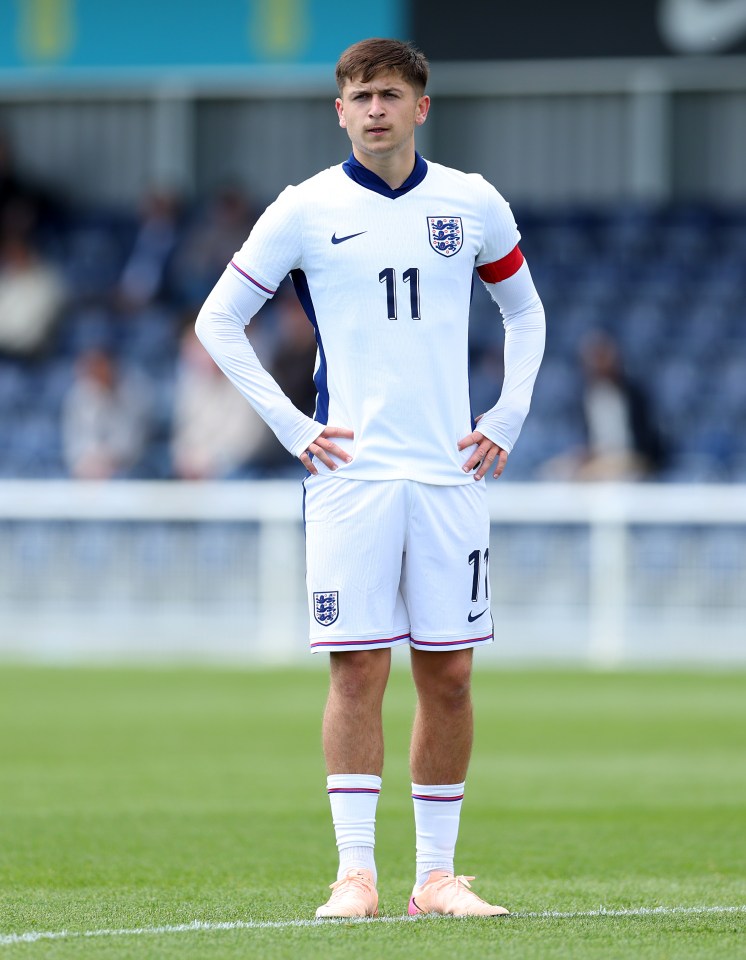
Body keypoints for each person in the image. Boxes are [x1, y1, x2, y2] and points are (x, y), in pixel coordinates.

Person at [196, 38, 545, 919]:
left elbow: (526, 311)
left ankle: (437, 877)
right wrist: (292, 426)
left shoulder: (471, 203)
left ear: (421, 107)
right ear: (339, 110)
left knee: (451, 673)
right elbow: (219, 320)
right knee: (356, 668)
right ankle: (356, 874)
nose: (375, 108)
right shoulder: (303, 209)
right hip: (351, 476)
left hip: (447, 473)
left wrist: (506, 415)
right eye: (360, 96)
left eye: (391, 94)